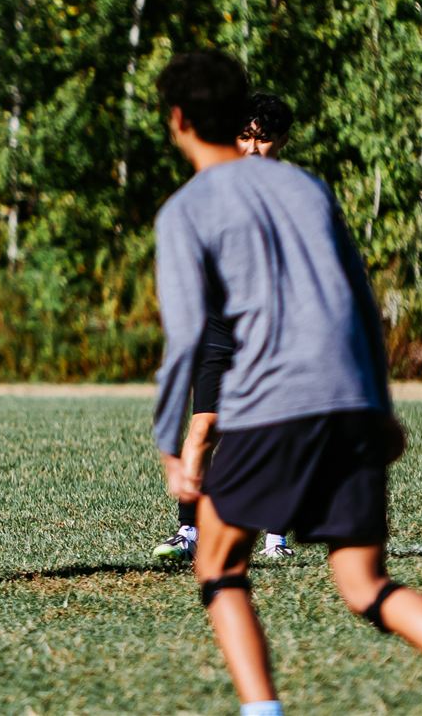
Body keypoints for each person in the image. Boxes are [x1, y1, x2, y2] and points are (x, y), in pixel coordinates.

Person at [151, 51, 422, 716]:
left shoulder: (187, 210)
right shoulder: (308, 187)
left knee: (218, 566)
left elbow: (184, 339)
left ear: (178, 119)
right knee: (363, 584)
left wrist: (168, 447)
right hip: (351, 400)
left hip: (270, 405)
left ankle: (263, 710)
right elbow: (359, 300)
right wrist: (379, 404)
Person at [154, 91, 298, 564]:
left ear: (282, 141)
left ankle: (275, 537)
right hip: (216, 327)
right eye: (244, 136)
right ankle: (188, 531)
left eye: (263, 138)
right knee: (203, 429)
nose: (252, 147)